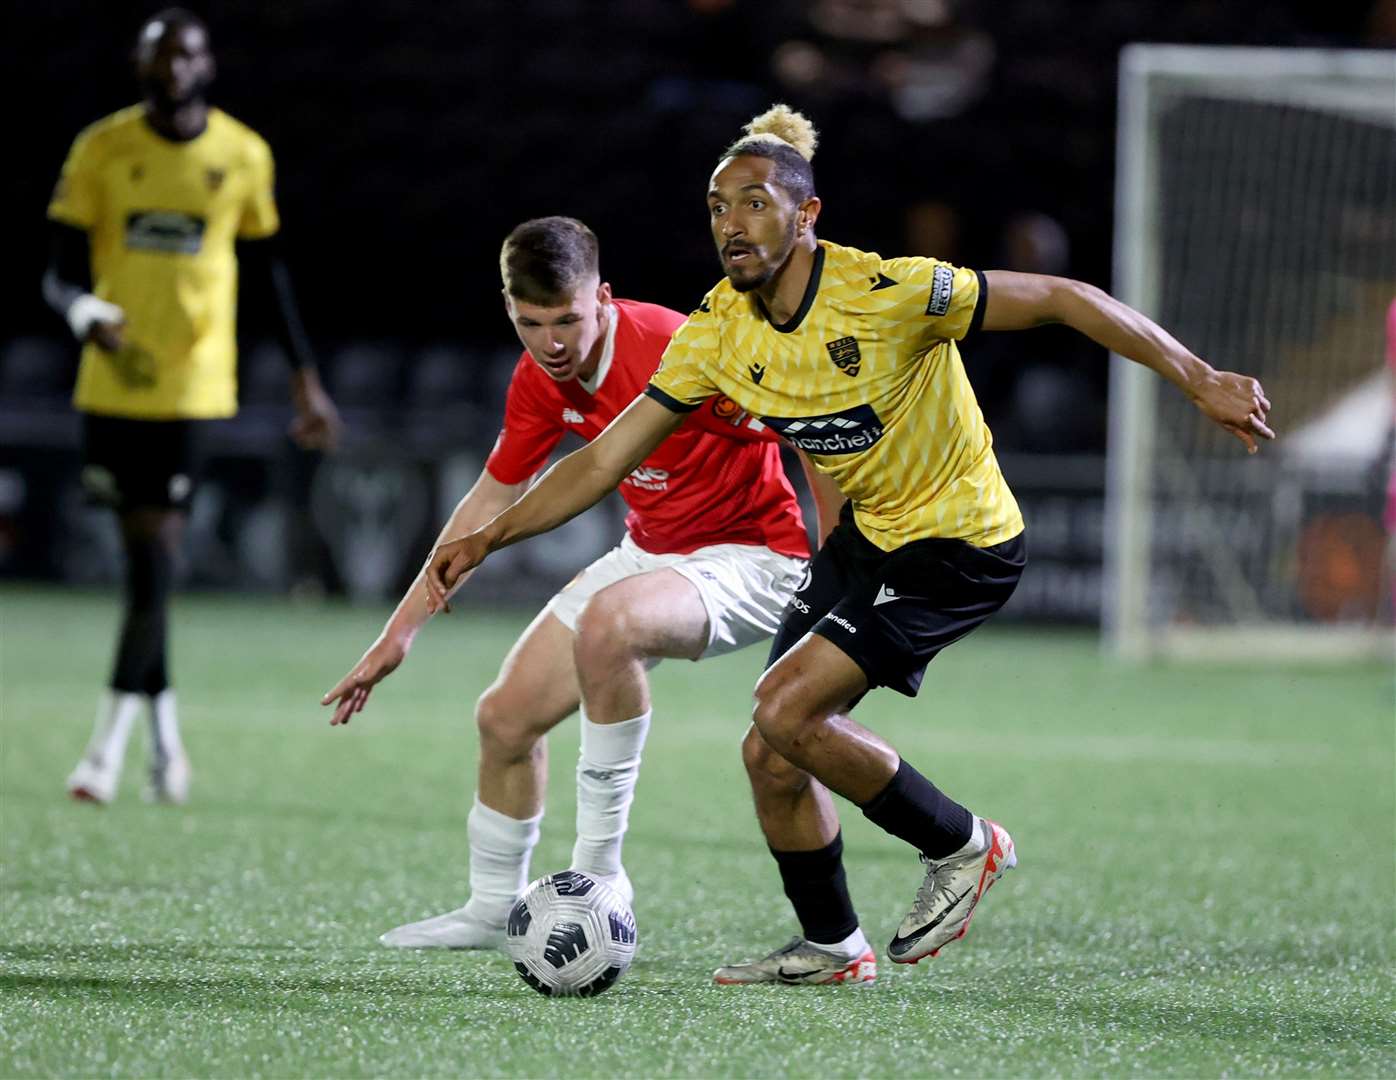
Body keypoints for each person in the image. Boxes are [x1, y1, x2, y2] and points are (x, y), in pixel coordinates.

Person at [421, 105, 1274, 986]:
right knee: (770, 747)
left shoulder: (891, 293)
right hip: (866, 540)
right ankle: (834, 944)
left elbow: (1064, 298)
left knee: (788, 713)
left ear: (806, 214)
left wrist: (1198, 376)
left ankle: (964, 844)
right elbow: (602, 459)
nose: (731, 223)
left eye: (754, 203)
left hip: (960, 540)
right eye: (718, 207)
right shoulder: (718, 331)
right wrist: (491, 534)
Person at [321, 216, 843, 952]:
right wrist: (398, 632)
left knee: (611, 623)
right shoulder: (537, 379)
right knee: (504, 720)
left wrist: (838, 562)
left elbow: (812, 424)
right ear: (510, 311)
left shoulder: (674, 344)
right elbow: (486, 504)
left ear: (603, 296)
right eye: (531, 323)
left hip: (755, 555)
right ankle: (492, 908)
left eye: (567, 318)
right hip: (650, 553)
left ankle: (600, 875)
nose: (553, 342)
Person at [44, 8, 341, 806]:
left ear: (206, 65)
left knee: (152, 562)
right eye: (158, 55)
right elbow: (58, 272)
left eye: (185, 55)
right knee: (147, 570)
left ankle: (104, 752)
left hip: (193, 387)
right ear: (140, 66)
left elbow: (270, 272)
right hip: (111, 387)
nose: (172, 67)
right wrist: (83, 314)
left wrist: (303, 375)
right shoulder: (101, 149)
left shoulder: (241, 154)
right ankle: (168, 744)